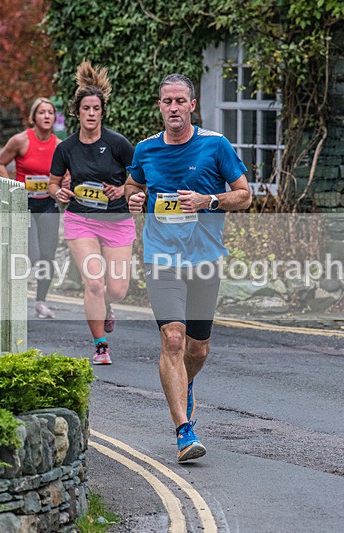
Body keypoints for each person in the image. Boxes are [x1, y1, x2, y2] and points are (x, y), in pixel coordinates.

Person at [125, 73, 251, 462]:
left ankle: (183, 383)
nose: (174, 107)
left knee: (197, 350)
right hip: (161, 258)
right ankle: (184, 430)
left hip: (205, 259)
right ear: (160, 106)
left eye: (181, 100)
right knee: (174, 340)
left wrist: (207, 201)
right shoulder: (145, 150)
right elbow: (133, 187)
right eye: (167, 101)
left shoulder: (215, 146)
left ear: (192, 105)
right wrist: (135, 199)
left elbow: (245, 196)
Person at [48, 61, 135, 365]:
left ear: (102, 111)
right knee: (95, 283)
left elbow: (140, 178)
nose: (91, 113)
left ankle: (108, 306)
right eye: (86, 108)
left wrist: (122, 189)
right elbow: (53, 183)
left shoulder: (118, 144)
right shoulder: (66, 148)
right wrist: (56, 192)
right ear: (77, 112)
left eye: (96, 108)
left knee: (118, 289)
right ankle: (100, 345)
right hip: (80, 218)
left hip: (117, 220)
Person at [0, 97, 63, 319]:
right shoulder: (20, 140)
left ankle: (41, 302)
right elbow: (0, 163)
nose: (46, 116)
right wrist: (11, 184)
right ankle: (8, 292)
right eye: (42, 112)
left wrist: (64, 184)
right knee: (32, 255)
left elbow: (66, 173)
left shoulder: (58, 145)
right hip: (24, 204)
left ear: (54, 118)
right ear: (33, 117)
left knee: (47, 254)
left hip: (47, 203)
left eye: (50, 113)